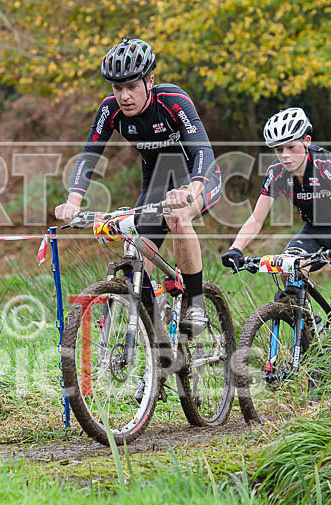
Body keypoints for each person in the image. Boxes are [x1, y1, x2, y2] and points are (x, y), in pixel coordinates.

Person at [55, 37, 222, 334]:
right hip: (156, 183)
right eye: (117, 88)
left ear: (150, 81)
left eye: (132, 87)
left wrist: (192, 190)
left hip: (198, 176)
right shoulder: (110, 110)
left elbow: (202, 149)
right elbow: (89, 154)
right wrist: (73, 202)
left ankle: (195, 302)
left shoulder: (173, 101)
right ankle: (153, 323)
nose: (124, 96)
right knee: (135, 252)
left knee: (178, 217)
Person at [221, 107, 331, 330]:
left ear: (307, 141)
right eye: (279, 149)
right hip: (312, 232)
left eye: (291, 147)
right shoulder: (276, 173)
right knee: (287, 268)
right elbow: (257, 218)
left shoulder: (324, 163)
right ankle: (310, 326)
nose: (285, 155)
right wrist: (236, 248)